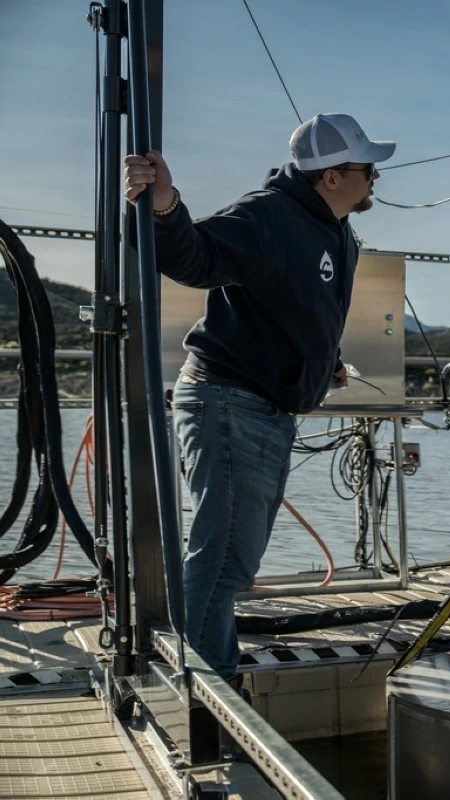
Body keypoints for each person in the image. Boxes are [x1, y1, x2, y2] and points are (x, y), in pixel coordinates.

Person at [122, 113, 395, 683]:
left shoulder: (334, 232)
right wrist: (166, 206)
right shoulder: (270, 215)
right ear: (331, 177)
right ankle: (200, 695)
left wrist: (321, 368)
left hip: (261, 409)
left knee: (232, 564)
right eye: (368, 169)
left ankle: (209, 679)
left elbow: (292, 312)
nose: (375, 179)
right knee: (223, 563)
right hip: (229, 403)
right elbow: (193, 258)